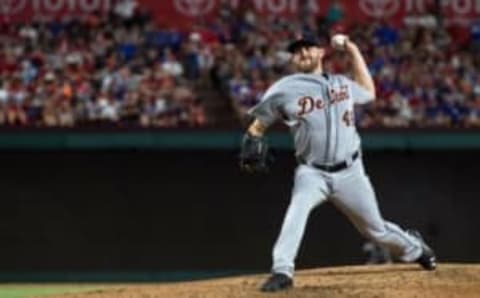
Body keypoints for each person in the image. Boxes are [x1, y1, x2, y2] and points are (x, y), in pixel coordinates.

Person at [238, 33, 437, 292]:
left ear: (321, 53)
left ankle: (414, 247)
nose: (303, 54)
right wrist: (252, 136)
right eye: (297, 52)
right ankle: (282, 271)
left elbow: (368, 92)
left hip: (350, 172)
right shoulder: (283, 88)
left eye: (308, 49)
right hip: (311, 172)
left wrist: (352, 49)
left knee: (375, 230)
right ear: (293, 59)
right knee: (296, 211)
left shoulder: (342, 83)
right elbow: (259, 122)